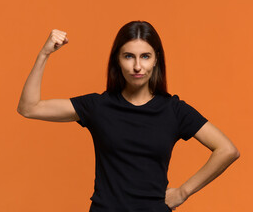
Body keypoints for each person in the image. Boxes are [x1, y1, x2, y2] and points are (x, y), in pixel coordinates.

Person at [17, 21, 240, 211]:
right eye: (128, 56)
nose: (136, 66)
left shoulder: (173, 110)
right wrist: (44, 54)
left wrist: (183, 192)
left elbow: (227, 150)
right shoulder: (98, 106)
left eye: (145, 56)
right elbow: (29, 107)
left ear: (156, 60)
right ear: (117, 59)